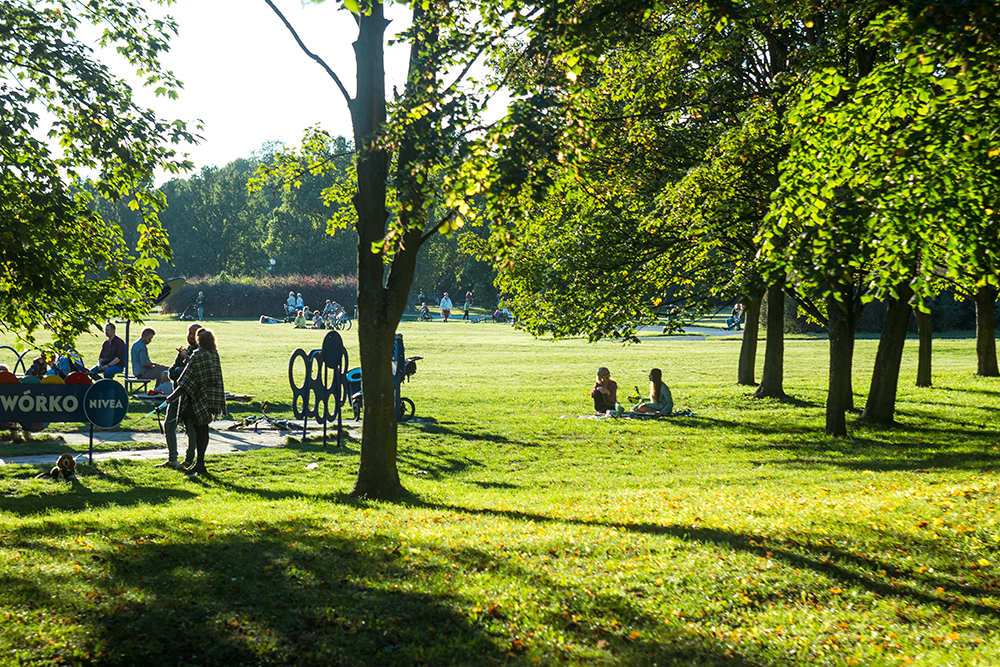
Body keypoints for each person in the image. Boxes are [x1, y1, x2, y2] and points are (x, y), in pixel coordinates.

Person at [166, 327, 226, 475]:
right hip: (211, 398)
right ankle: (200, 462)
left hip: (198, 398)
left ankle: (195, 461)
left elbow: (186, 381)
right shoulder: (214, 354)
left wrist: (171, 397)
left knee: (195, 427)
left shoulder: (198, 356)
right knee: (203, 430)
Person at [156, 323, 201, 468]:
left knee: (191, 429)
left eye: (194, 333)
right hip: (176, 394)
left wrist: (185, 363)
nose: (190, 336)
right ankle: (172, 458)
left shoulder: (200, 352)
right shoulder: (184, 351)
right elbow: (172, 373)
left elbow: (192, 373)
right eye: (189, 332)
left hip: (190, 397)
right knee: (169, 424)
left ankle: (189, 460)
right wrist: (180, 369)